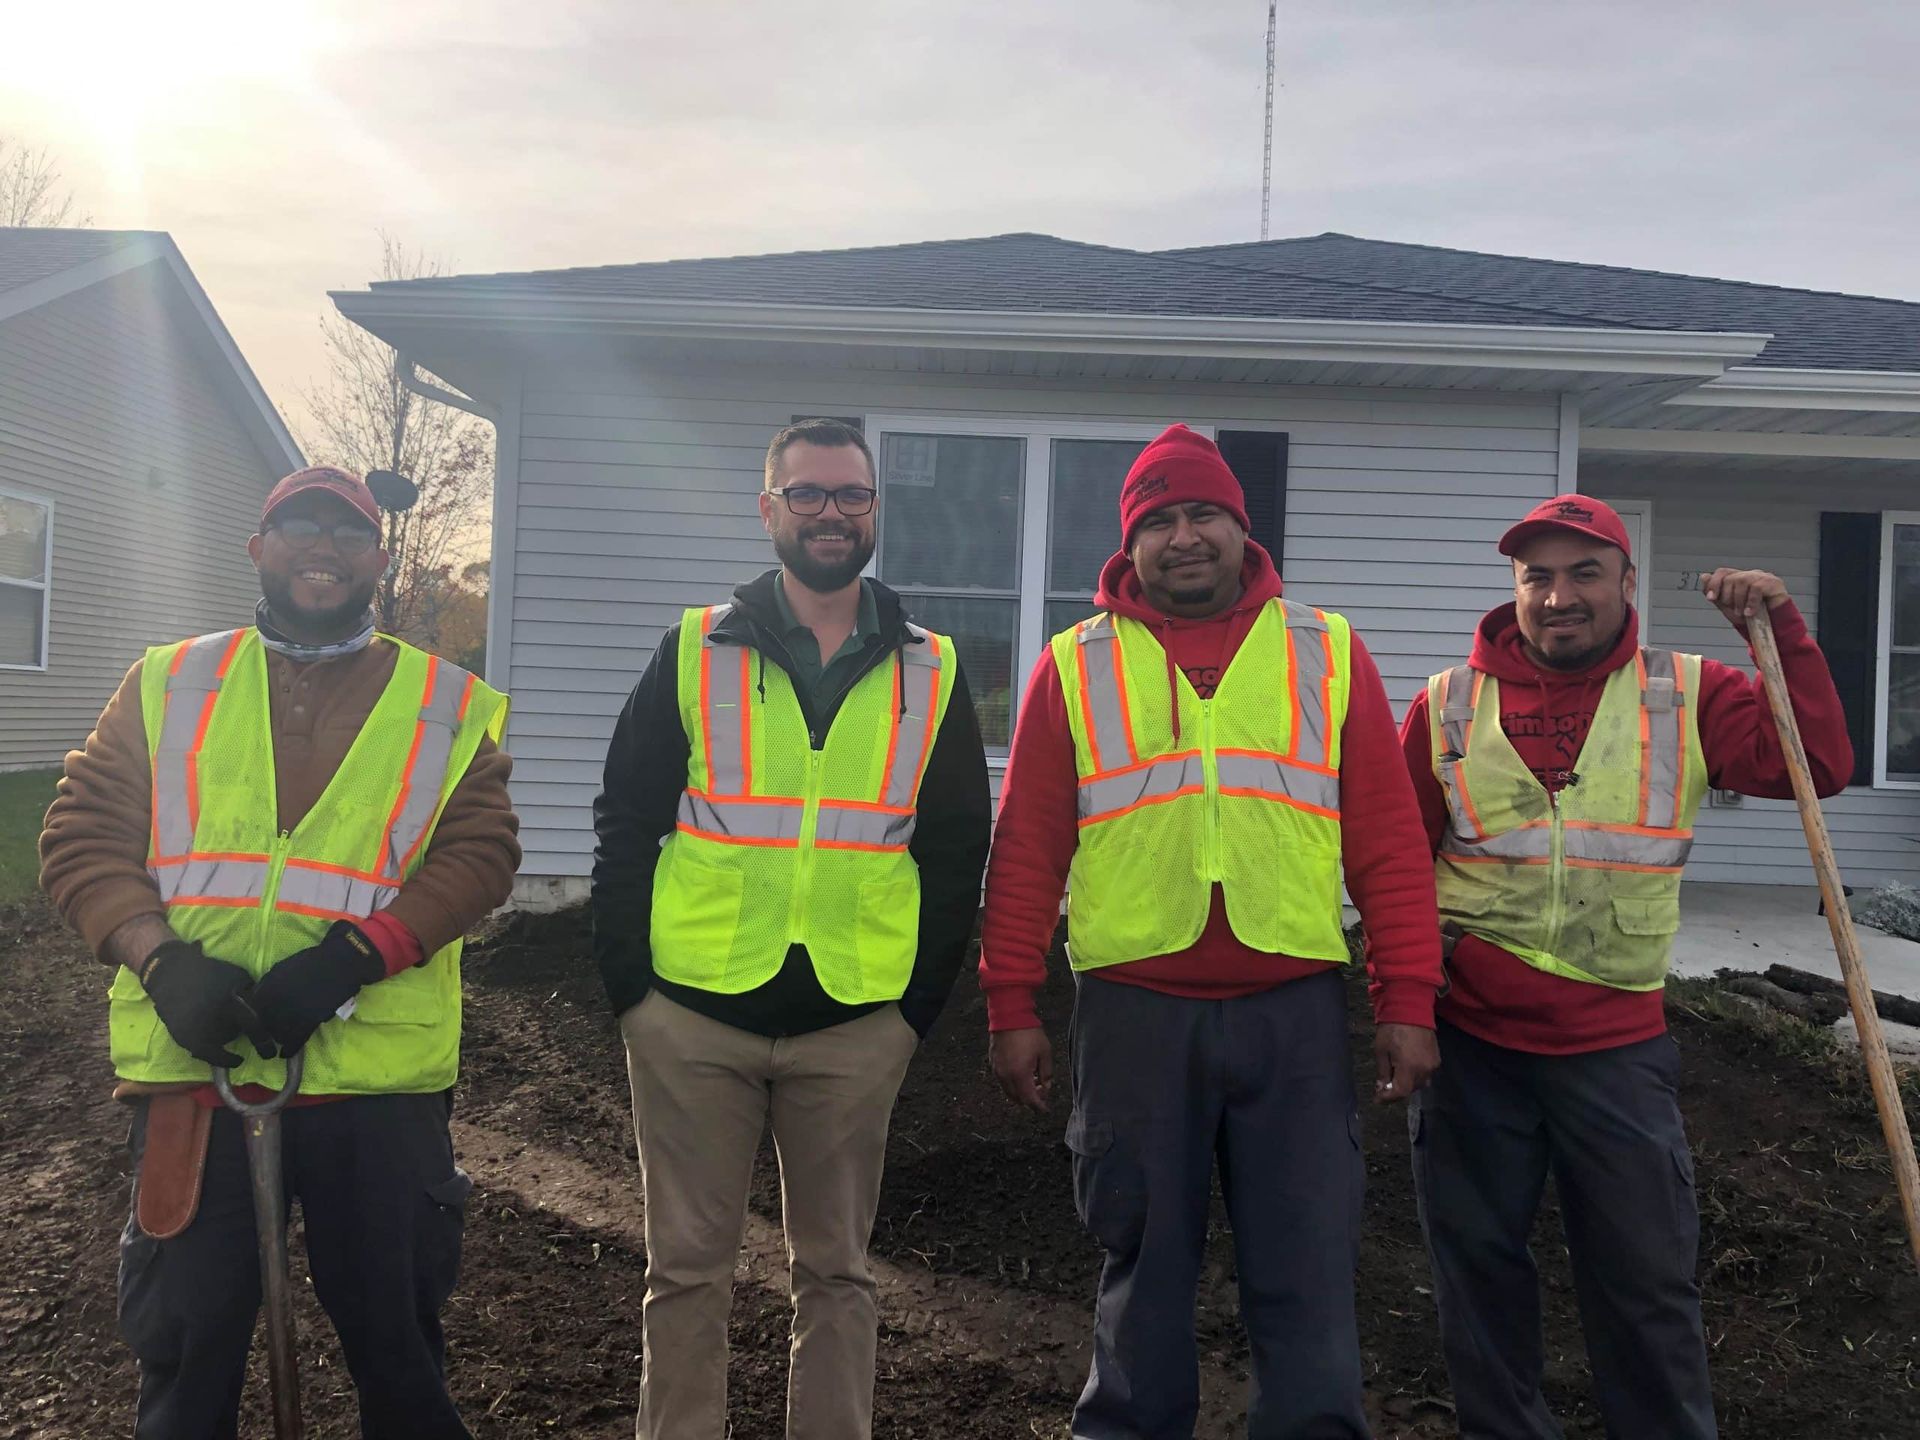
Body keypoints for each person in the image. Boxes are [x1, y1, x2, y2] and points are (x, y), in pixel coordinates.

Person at [981, 423, 1444, 1439]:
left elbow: (1389, 843)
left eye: (1203, 515)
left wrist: (1408, 999)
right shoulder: (1076, 664)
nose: (1183, 538)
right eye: (1159, 522)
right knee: (1142, 1266)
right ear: (1128, 544)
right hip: (1135, 1016)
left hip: (1294, 1017)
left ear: (1243, 526)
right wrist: (1010, 1002)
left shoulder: (1324, 650)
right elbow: (1026, 850)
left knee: (1308, 1265)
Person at [39, 465, 520, 1440]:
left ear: (379, 557)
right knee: (188, 1352)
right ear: (258, 549)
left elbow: (480, 854)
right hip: (198, 1083)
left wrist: (355, 957)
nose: (323, 549)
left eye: (346, 533)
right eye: (298, 528)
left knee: (399, 1358)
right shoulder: (169, 681)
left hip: (377, 1092)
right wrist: (161, 961)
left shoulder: (444, 703)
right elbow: (82, 835)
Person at [1398, 494, 1853, 1439]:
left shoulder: (1688, 693)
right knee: (1477, 1269)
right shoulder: (1447, 703)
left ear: (1626, 582)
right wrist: (1401, 1003)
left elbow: (1819, 765)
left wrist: (1785, 637)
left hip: (1615, 1052)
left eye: (1584, 574)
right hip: (1472, 1045)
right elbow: (1399, 870)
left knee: (1645, 1280)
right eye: (1539, 578)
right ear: (1516, 589)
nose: (1560, 597)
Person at [591, 418, 991, 1440]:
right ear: (769, 509)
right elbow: (627, 819)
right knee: (684, 1270)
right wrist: (631, 988)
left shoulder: (930, 668)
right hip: (691, 1017)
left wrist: (913, 1008)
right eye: (806, 494)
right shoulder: (693, 648)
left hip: (856, 1021)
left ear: (873, 514)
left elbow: (954, 852)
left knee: (839, 1275)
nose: (829, 513)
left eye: (850, 496)